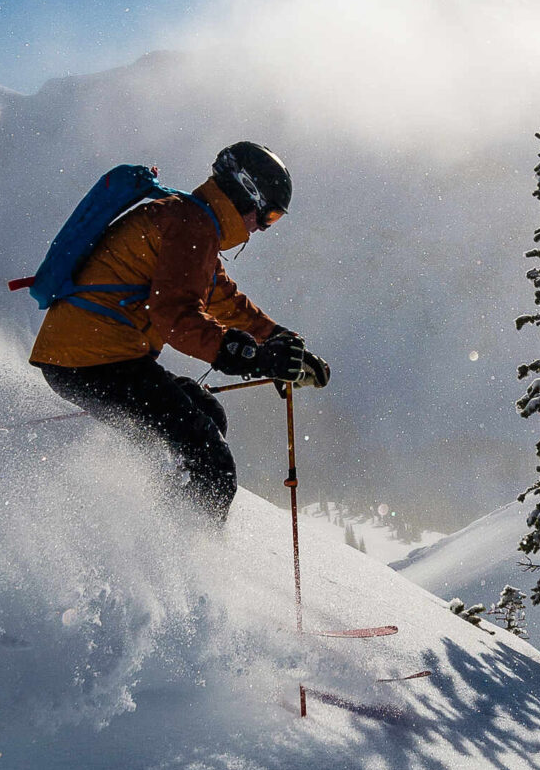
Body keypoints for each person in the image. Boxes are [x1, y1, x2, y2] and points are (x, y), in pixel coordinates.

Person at [29, 140, 328, 521]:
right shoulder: (190, 225)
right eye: (269, 215)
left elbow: (223, 300)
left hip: (95, 356)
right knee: (213, 465)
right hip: (90, 361)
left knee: (207, 415)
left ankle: (157, 522)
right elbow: (175, 316)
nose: (264, 227)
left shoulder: (192, 219)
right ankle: (181, 561)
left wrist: (277, 339)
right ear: (245, 192)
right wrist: (253, 357)